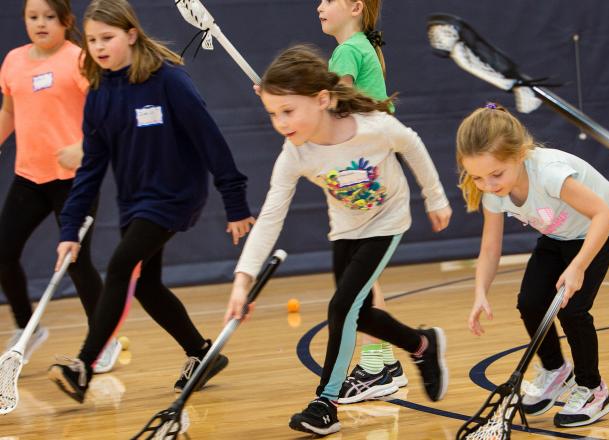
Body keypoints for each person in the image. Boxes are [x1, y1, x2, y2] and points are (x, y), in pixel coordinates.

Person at [224, 45, 451, 436]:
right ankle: (422, 345)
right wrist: (242, 280)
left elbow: (411, 143)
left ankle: (325, 403)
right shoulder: (294, 154)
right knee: (358, 314)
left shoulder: (373, 127)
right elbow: (270, 219)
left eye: (288, 111)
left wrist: (435, 196)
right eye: (273, 114)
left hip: (386, 222)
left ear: (322, 99)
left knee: (342, 307)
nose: (280, 123)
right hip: (345, 227)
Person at [47, 0, 255, 404]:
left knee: (122, 265)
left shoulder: (168, 80)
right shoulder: (100, 95)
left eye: (107, 38)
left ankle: (83, 367)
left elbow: (210, 140)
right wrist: (69, 230)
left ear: (131, 34)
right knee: (147, 285)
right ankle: (201, 353)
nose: (99, 47)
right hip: (136, 202)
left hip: (177, 195)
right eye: (91, 40)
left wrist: (235, 201)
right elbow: (90, 170)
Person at [459, 104, 609, 427]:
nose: (489, 185)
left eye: (496, 175)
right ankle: (555, 370)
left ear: (519, 155)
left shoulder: (548, 174)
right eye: (478, 177)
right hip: (557, 233)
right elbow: (490, 247)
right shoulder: (494, 192)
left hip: (597, 230)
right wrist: (480, 292)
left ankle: (593, 389)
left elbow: (603, 214)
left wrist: (579, 266)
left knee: (572, 309)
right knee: (531, 302)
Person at [0, 0, 122, 373]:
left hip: (75, 180)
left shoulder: (79, 59)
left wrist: (84, 147)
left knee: (75, 262)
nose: (40, 23)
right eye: (33, 17)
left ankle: (105, 340)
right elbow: (9, 110)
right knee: (2, 253)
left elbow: (107, 112)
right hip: (29, 177)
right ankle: (27, 327)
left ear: (66, 21)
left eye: (49, 17)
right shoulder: (14, 61)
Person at [317, 0, 403, 400]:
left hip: (363, 174)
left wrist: (292, 109)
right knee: (363, 271)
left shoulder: (347, 50)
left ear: (354, 6)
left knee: (358, 275)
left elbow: (337, 104)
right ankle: (380, 361)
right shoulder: (364, 47)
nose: (318, 6)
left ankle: (380, 363)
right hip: (370, 170)